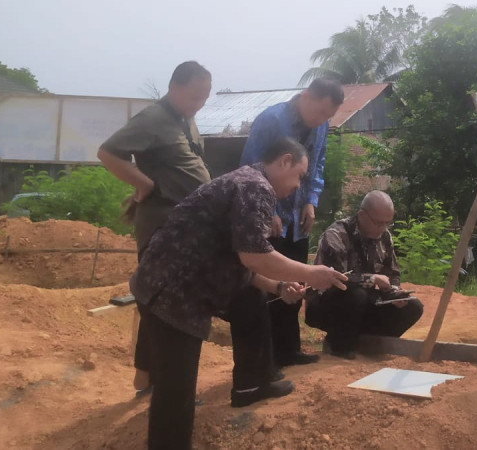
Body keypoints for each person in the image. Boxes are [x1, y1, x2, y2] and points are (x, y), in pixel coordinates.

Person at [130, 137, 348, 449]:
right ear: (284, 161)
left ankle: (252, 383)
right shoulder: (256, 187)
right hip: (173, 294)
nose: (299, 185)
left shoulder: (246, 181)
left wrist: (276, 286)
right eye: (299, 175)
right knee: (176, 393)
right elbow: (254, 255)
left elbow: (237, 259)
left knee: (250, 301)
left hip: (166, 284)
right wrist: (312, 272)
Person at [98, 61, 212, 395]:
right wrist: (144, 185)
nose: (199, 104)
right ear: (174, 87)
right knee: (162, 304)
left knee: (161, 302)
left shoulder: (184, 119)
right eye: (194, 96)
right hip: (162, 224)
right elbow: (108, 152)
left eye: (204, 97)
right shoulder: (152, 118)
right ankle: (160, 382)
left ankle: (146, 378)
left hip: (183, 224)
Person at [240, 78, 344, 369]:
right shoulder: (271, 120)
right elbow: (249, 166)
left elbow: (318, 163)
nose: (322, 120)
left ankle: (289, 350)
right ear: (307, 97)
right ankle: (266, 357)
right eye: (321, 112)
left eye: (328, 116)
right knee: (270, 284)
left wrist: (311, 199)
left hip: (299, 219)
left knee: (297, 283)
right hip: (269, 219)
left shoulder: (320, 125)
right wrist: (267, 207)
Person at [305, 191, 424, 359]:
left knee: (413, 307)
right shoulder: (336, 234)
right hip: (328, 302)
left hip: (366, 301)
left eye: (387, 223)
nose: (382, 228)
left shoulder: (385, 236)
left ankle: (369, 342)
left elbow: (393, 273)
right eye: (378, 223)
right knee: (356, 295)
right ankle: (338, 345)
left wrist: (395, 293)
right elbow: (337, 279)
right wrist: (372, 279)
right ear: (362, 215)